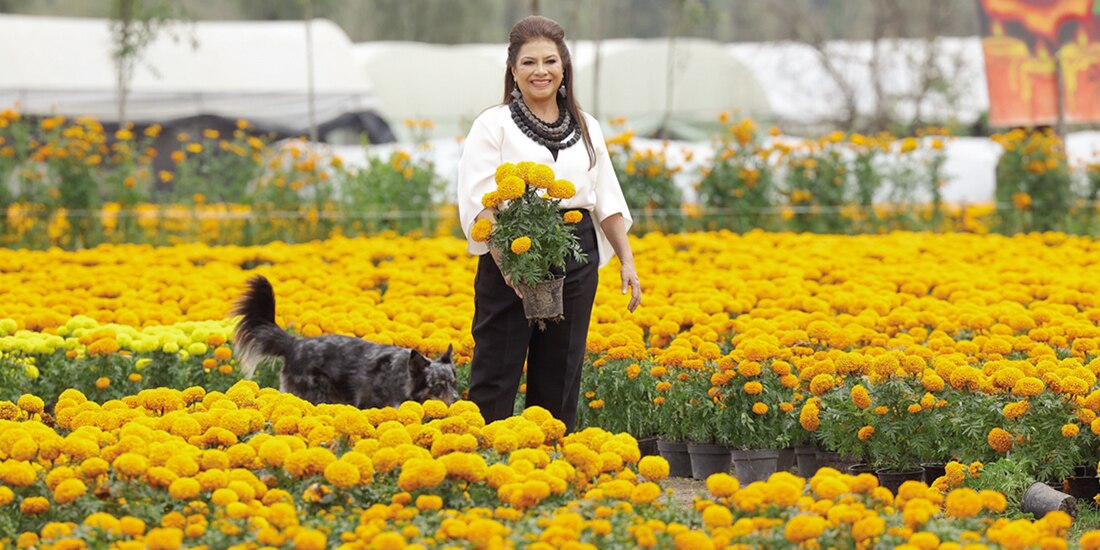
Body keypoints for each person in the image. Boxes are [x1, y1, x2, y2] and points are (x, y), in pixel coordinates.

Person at [456, 15, 641, 433]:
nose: (540, 71)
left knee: (561, 370)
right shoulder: (493, 124)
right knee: (497, 367)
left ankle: (552, 458)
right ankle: (485, 456)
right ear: (513, 70)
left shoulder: (587, 126)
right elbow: (480, 200)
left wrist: (627, 261)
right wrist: (508, 265)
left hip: (575, 248)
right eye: (529, 62)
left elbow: (606, 197)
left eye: (550, 61)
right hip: (512, 247)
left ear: (564, 67)